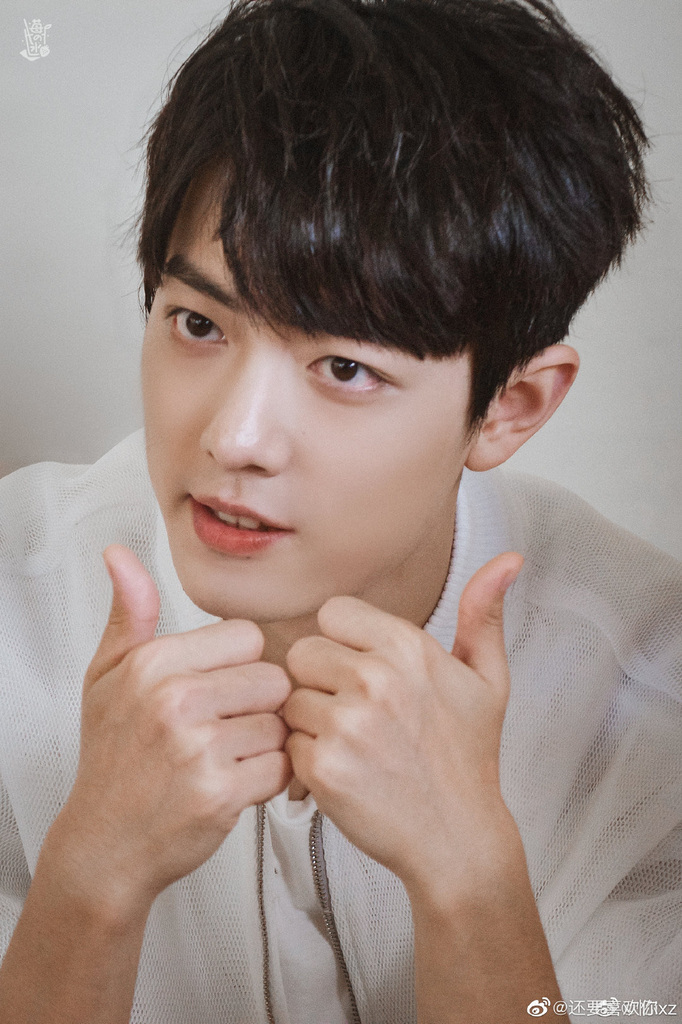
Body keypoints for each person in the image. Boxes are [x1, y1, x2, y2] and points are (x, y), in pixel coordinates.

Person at [0, 0, 679, 1021]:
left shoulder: (650, 700)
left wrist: (471, 883)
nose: (236, 437)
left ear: (510, 406)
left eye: (345, 368)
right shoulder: (13, 607)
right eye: (198, 323)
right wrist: (88, 882)